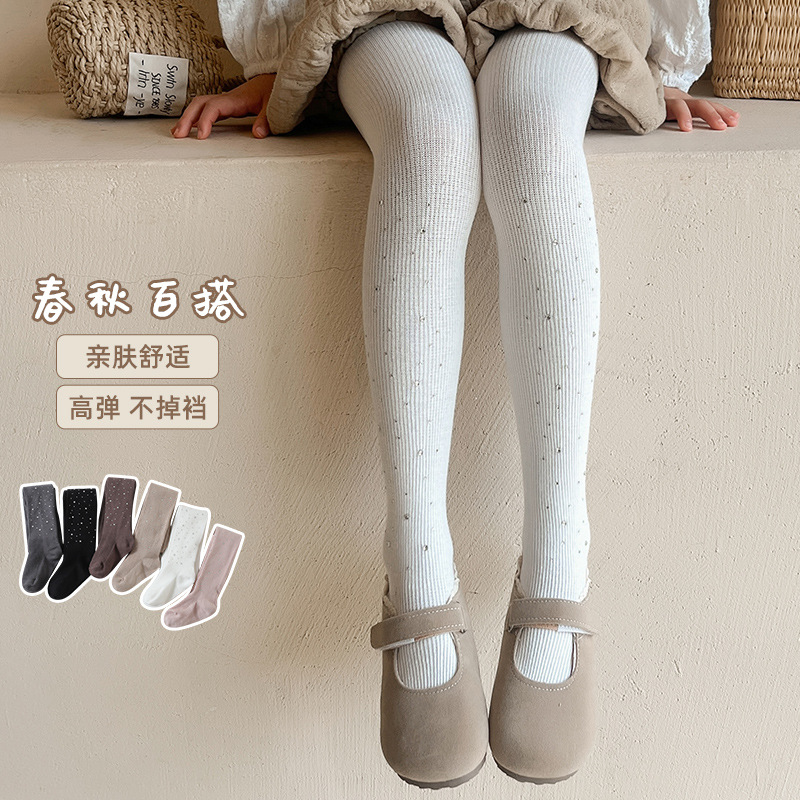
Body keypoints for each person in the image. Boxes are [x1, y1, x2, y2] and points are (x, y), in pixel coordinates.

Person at [172, 0, 740, 787]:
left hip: (561, 11)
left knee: (535, 131)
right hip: (382, 11)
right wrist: (274, 55)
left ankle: (559, 556)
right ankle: (415, 562)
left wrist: (666, 63)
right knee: (430, 134)